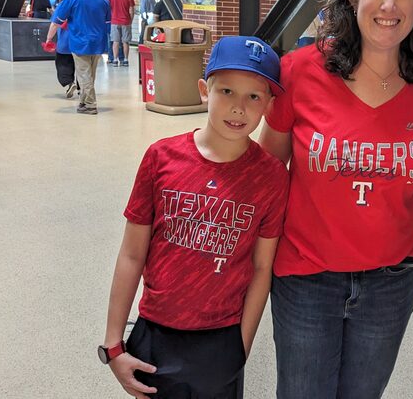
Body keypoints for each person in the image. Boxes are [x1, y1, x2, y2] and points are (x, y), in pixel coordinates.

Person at [259, 0, 413, 399]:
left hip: (391, 282)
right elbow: (265, 172)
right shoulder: (301, 71)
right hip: (306, 278)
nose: (389, 5)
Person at [100, 35, 289, 399]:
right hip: (156, 332)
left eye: (254, 96)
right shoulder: (161, 158)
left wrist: (240, 347)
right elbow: (131, 254)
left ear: (269, 104)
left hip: (221, 338)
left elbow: (262, 266)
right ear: (205, 90)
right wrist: (113, 345)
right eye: (227, 92)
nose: (239, 108)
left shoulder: (272, 177)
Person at [44, 0, 110, 115]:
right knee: (90, 73)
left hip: (80, 42)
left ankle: (91, 105)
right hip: (98, 42)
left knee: (84, 74)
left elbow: (56, 22)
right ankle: (83, 103)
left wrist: (49, 38)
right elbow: (108, 23)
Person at [51, 0, 80, 99]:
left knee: (63, 65)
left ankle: (69, 83)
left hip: (64, 42)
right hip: (80, 42)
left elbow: (55, 23)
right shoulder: (83, 5)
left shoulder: (64, 4)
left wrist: (49, 38)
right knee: (82, 67)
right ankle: (82, 88)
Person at [108, 0, 135, 67]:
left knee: (115, 41)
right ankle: (126, 60)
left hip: (114, 21)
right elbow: (131, 10)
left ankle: (115, 60)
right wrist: (131, 20)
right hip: (125, 21)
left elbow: (108, 7)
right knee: (125, 42)